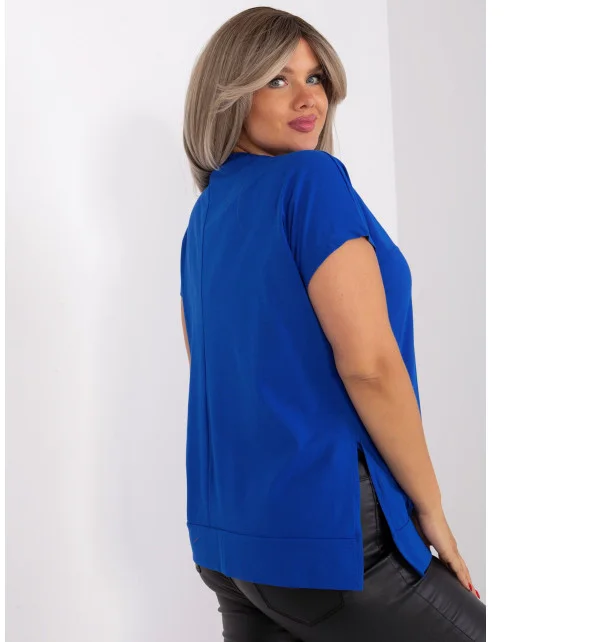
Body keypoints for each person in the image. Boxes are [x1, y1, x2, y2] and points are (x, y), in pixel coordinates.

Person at [179, 6, 486, 641]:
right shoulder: (311, 180)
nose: (307, 99)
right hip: (334, 537)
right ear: (230, 93)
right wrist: (431, 510)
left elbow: (213, 369)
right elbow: (370, 366)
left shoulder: (205, 216)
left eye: (315, 77)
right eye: (277, 79)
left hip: (233, 544)